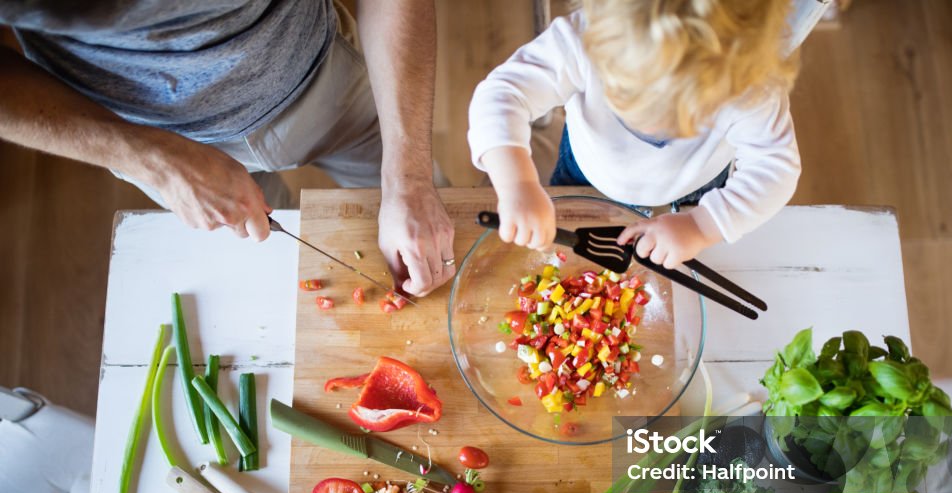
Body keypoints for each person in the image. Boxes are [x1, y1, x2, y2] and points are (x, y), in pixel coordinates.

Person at [0, 1, 456, 297]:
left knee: (432, 231)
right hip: (150, 138)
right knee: (279, 276)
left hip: (322, 74)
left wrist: (409, 178)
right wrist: (153, 161)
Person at [467, 0, 802, 270]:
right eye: (630, 95)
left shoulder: (753, 83)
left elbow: (774, 168)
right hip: (586, 172)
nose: (654, 129)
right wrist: (518, 184)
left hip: (694, 190)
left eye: (684, 115)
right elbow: (503, 94)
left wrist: (702, 226)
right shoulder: (588, 38)